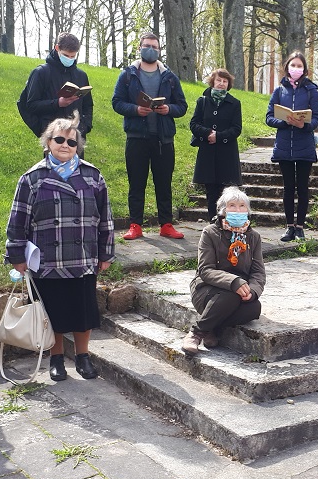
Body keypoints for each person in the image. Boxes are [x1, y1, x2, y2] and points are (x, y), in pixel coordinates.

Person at [6, 119, 115, 382]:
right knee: (51, 313)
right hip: (47, 259)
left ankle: (83, 356)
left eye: (71, 141)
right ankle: (55, 358)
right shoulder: (32, 178)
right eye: (59, 140)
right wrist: (17, 256)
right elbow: (17, 220)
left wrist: (106, 252)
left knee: (83, 310)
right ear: (47, 142)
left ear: (78, 146)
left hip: (83, 256)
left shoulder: (92, 175)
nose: (65, 145)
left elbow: (105, 218)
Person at [112, 31, 188, 240]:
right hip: (136, 138)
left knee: (164, 184)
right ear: (139, 48)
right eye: (147, 46)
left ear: (159, 50)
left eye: (155, 47)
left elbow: (182, 106)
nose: (151, 50)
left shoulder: (170, 77)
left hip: (163, 140)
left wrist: (168, 109)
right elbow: (116, 102)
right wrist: (136, 109)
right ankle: (135, 225)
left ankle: (166, 224)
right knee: (136, 183)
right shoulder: (128, 75)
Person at [182, 187, 265, 355]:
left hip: (239, 291)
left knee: (254, 308)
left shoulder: (253, 237)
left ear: (248, 211)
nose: (238, 209)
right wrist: (234, 282)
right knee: (230, 295)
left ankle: (212, 327)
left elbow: (258, 272)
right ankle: (196, 333)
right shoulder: (210, 232)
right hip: (207, 289)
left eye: (242, 206)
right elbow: (205, 270)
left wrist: (253, 291)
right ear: (222, 211)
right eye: (232, 205)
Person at [265, 51, 318, 241]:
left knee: (303, 187)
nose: (296, 69)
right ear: (287, 67)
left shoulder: (311, 90)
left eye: (299, 66)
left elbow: (316, 119)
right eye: (293, 65)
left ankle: (300, 227)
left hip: (304, 145)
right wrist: (285, 122)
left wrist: (303, 124)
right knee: (288, 187)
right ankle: (289, 226)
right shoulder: (279, 91)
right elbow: (269, 117)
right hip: (284, 146)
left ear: (305, 69)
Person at [17, 32, 93, 145]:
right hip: (52, 136)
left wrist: (85, 127)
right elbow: (30, 105)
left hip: (76, 136)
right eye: (66, 55)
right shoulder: (41, 73)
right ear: (57, 48)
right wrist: (57, 104)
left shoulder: (81, 75)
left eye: (73, 56)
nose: (70, 59)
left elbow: (88, 105)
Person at [190, 68, 243, 218]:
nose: (221, 83)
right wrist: (207, 133)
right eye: (219, 80)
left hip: (227, 154)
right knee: (210, 191)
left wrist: (219, 136)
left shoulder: (234, 104)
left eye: (225, 81)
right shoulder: (203, 101)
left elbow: (236, 128)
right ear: (213, 81)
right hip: (208, 152)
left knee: (226, 192)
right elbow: (194, 124)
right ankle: (212, 223)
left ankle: (226, 221)